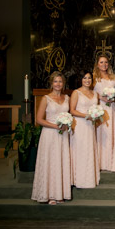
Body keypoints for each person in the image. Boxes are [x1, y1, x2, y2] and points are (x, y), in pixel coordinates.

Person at [30, 71, 72, 205]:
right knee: (50, 162)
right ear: (51, 83)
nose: (58, 84)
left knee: (60, 162)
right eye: (55, 81)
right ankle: (49, 195)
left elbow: (70, 115)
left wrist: (67, 124)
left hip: (63, 136)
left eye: (60, 81)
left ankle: (60, 194)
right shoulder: (45, 98)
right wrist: (55, 126)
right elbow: (39, 120)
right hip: (49, 134)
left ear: (63, 83)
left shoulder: (67, 98)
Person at [69, 71, 101, 189]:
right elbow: (72, 110)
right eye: (84, 78)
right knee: (80, 150)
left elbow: (96, 108)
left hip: (90, 126)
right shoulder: (76, 93)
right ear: (80, 80)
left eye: (89, 78)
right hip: (80, 125)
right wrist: (86, 116)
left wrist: (96, 116)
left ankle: (88, 178)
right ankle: (78, 179)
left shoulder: (95, 93)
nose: (87, 80)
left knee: (89, 149)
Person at [93, 55, 115, 170]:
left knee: (112, 132)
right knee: (102, 133)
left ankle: (112, 162)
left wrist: (113, 98)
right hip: (100, 107)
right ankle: (100, 162)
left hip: (112, 107)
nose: (104, 64)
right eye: (101, 62)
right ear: (97, 64)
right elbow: (89, 92)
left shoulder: (113, 77)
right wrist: (102, 98)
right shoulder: (93, 78)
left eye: (106, 62)